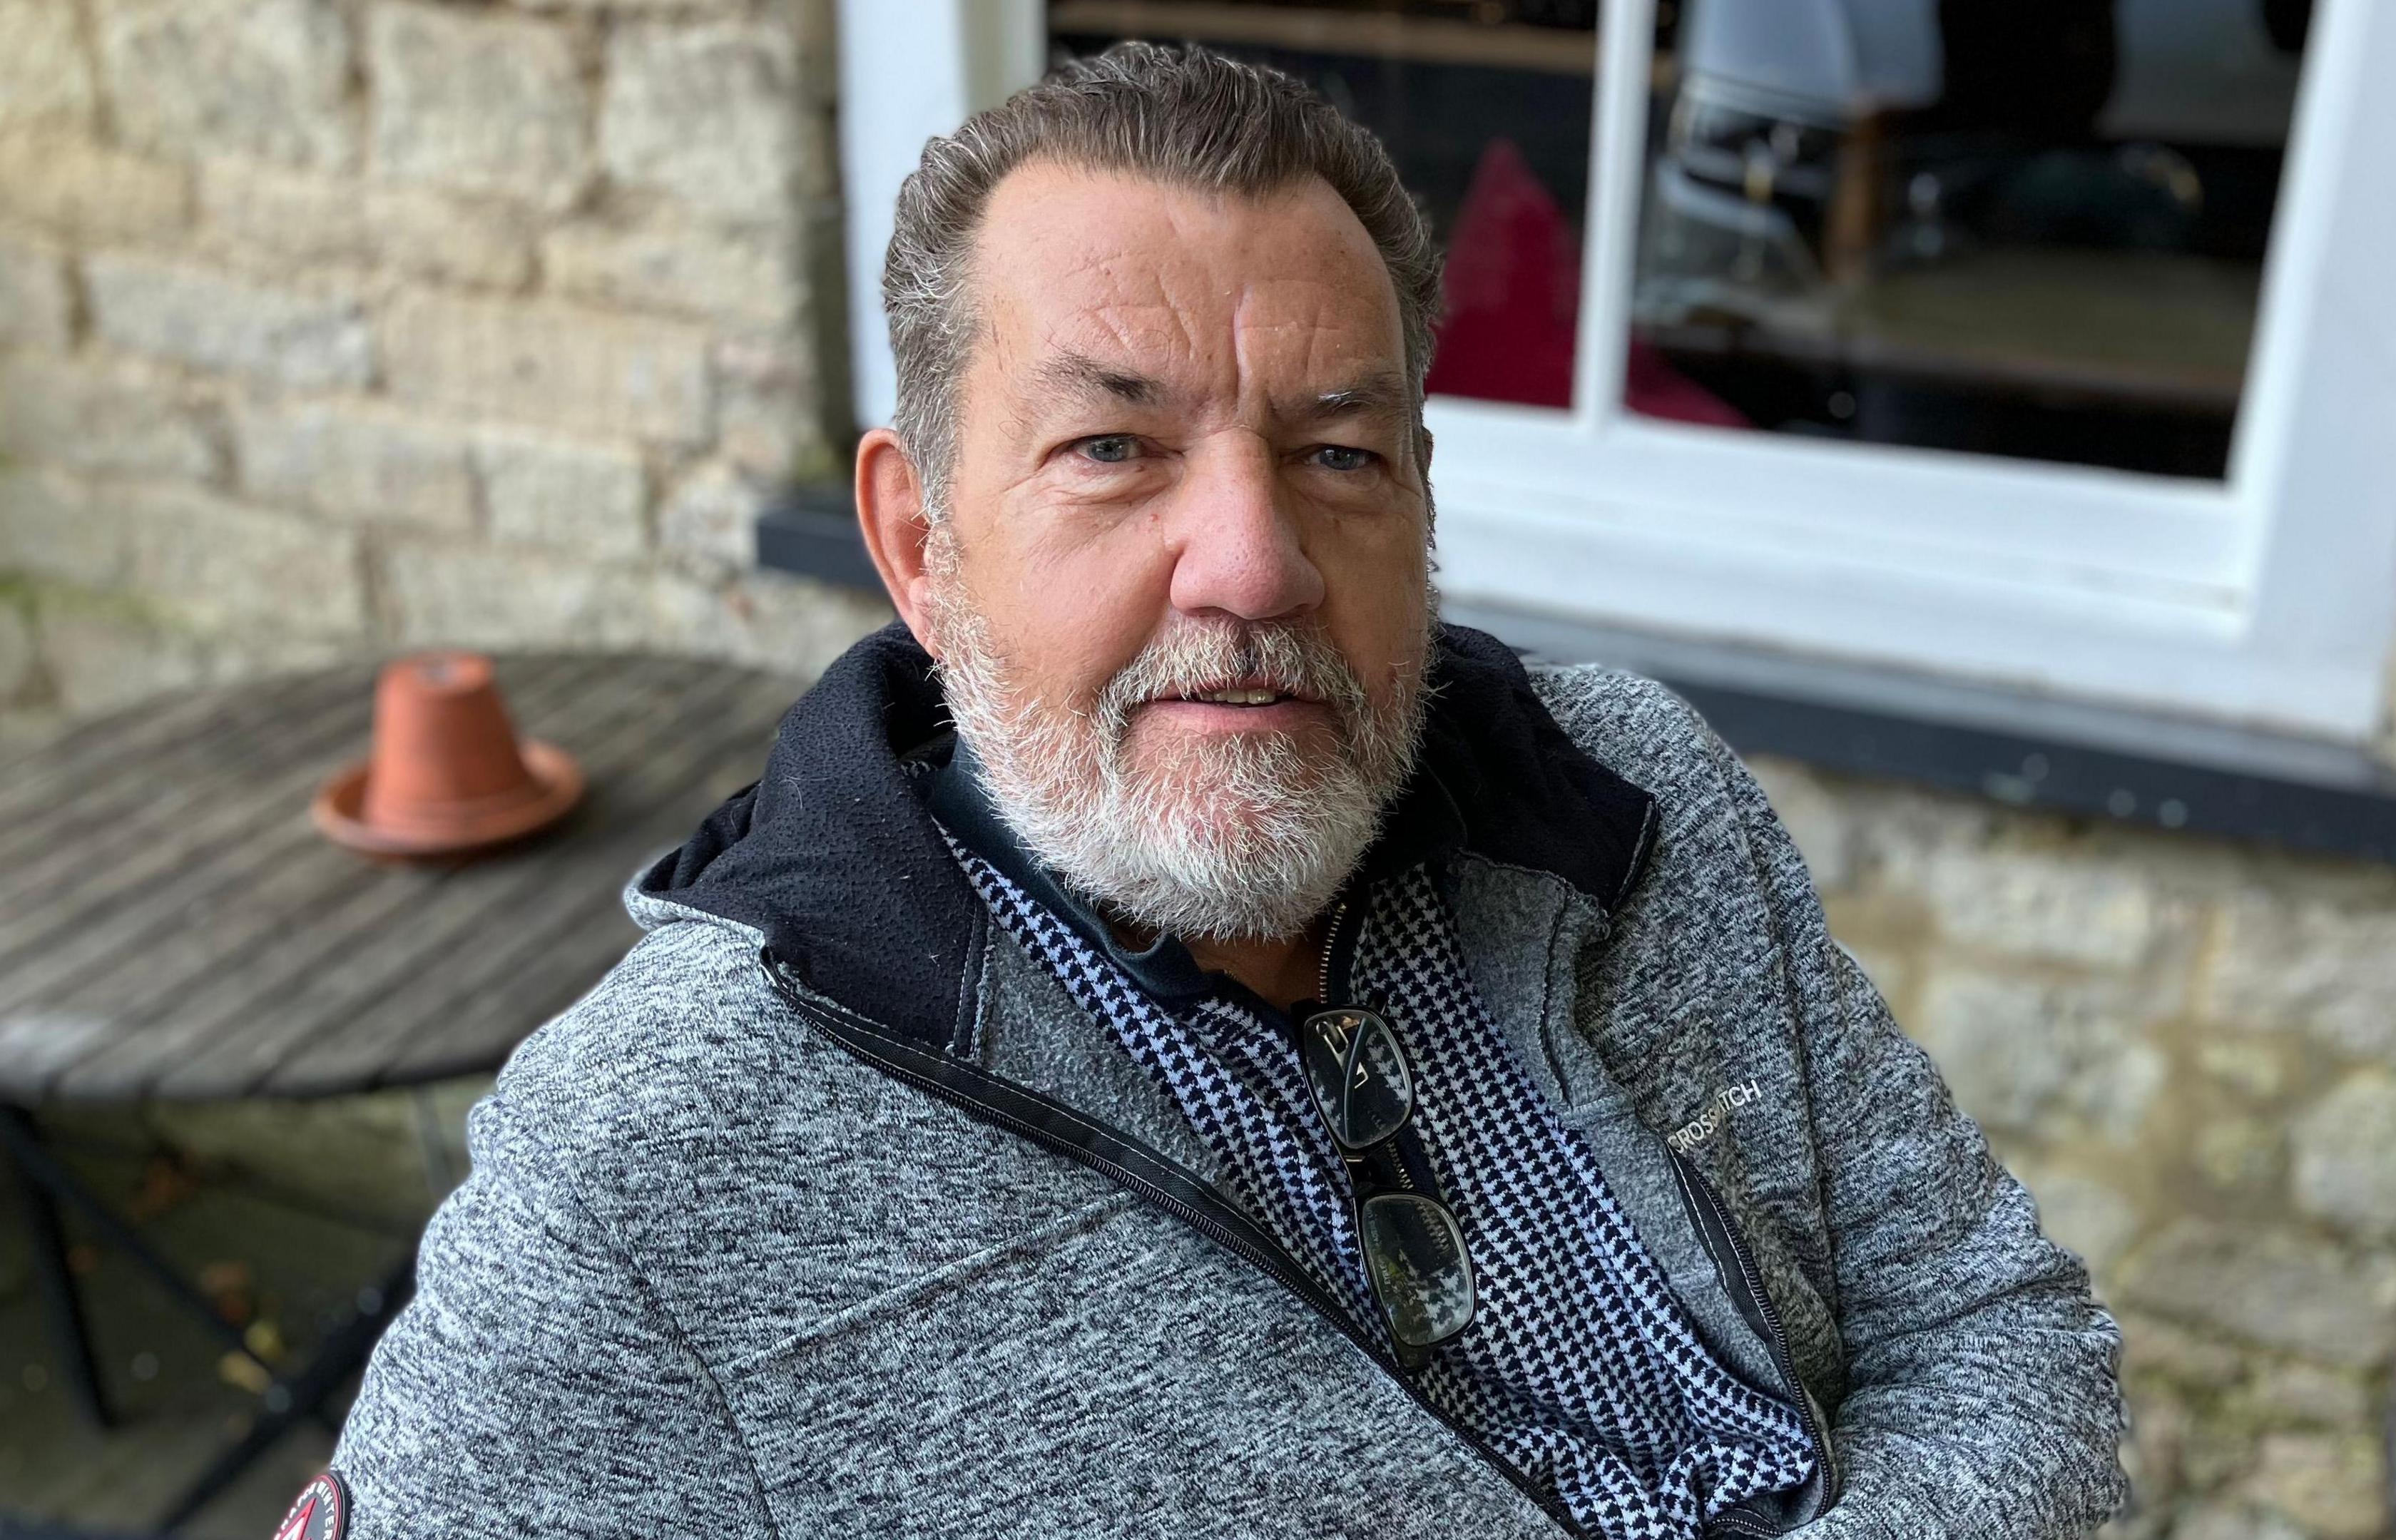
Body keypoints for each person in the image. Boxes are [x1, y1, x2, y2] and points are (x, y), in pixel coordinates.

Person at [320, 42, 2126, 1540]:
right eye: (1112, 450)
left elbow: (1996, 1323)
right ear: (918, 543)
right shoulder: (658, 1162)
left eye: (1337, 455)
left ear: (1422, 510)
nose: (1253, 566)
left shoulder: (1626, 794)